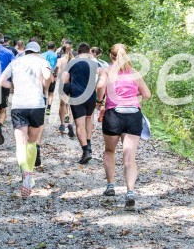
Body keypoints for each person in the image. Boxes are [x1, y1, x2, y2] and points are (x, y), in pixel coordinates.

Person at [95, 43, 151, 210]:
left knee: (109, 151)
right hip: (133, 115)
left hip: (113, 114)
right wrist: (134, 97)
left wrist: (99, 101)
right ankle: (130, 192)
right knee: (129, 158)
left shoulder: (107, 71)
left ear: (111, 56)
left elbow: (100, 86)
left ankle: (111, 186)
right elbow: (147, 94)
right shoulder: (134, 73)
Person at [0, 41, 53, 198]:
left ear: (26, 51)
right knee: (32, 142)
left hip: (19, 105)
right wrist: (44, 86)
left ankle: (25, 173)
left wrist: (14, 86)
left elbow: (1, 81)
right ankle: (30, 174)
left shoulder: (15, 62)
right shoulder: (42, 61)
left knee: (20, 143)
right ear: (38, 52)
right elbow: (48, 77)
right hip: (37, 104)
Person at [62, 43, 98, 164]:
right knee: (89, 119)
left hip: (77, 96)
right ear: (89, 51)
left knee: (79, 124)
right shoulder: (94, 63)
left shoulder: (72, 62)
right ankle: (89, 142)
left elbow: (65, 79)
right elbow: (98, 80)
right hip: (91, 96)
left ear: (78, 51)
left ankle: (85, 151)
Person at [55, 43, 75, 138]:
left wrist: (56, 75)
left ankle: (62, 124)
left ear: (62, 50)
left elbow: (57, 69)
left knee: (62, 104)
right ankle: (70, 123)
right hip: (73, 83)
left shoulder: (60, 60)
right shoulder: (74, 60)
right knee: (72, 105)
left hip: (63, 83)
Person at [42, 41, 59, 115]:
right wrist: (56, 75)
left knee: (43, 91)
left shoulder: (42, 54)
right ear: (54, 47)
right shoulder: (56, 55)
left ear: (47, 47)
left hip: (43, 75)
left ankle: (42, 107)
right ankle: (48, 108)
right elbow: (57, 66)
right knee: (51, 93)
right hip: (52, 75)